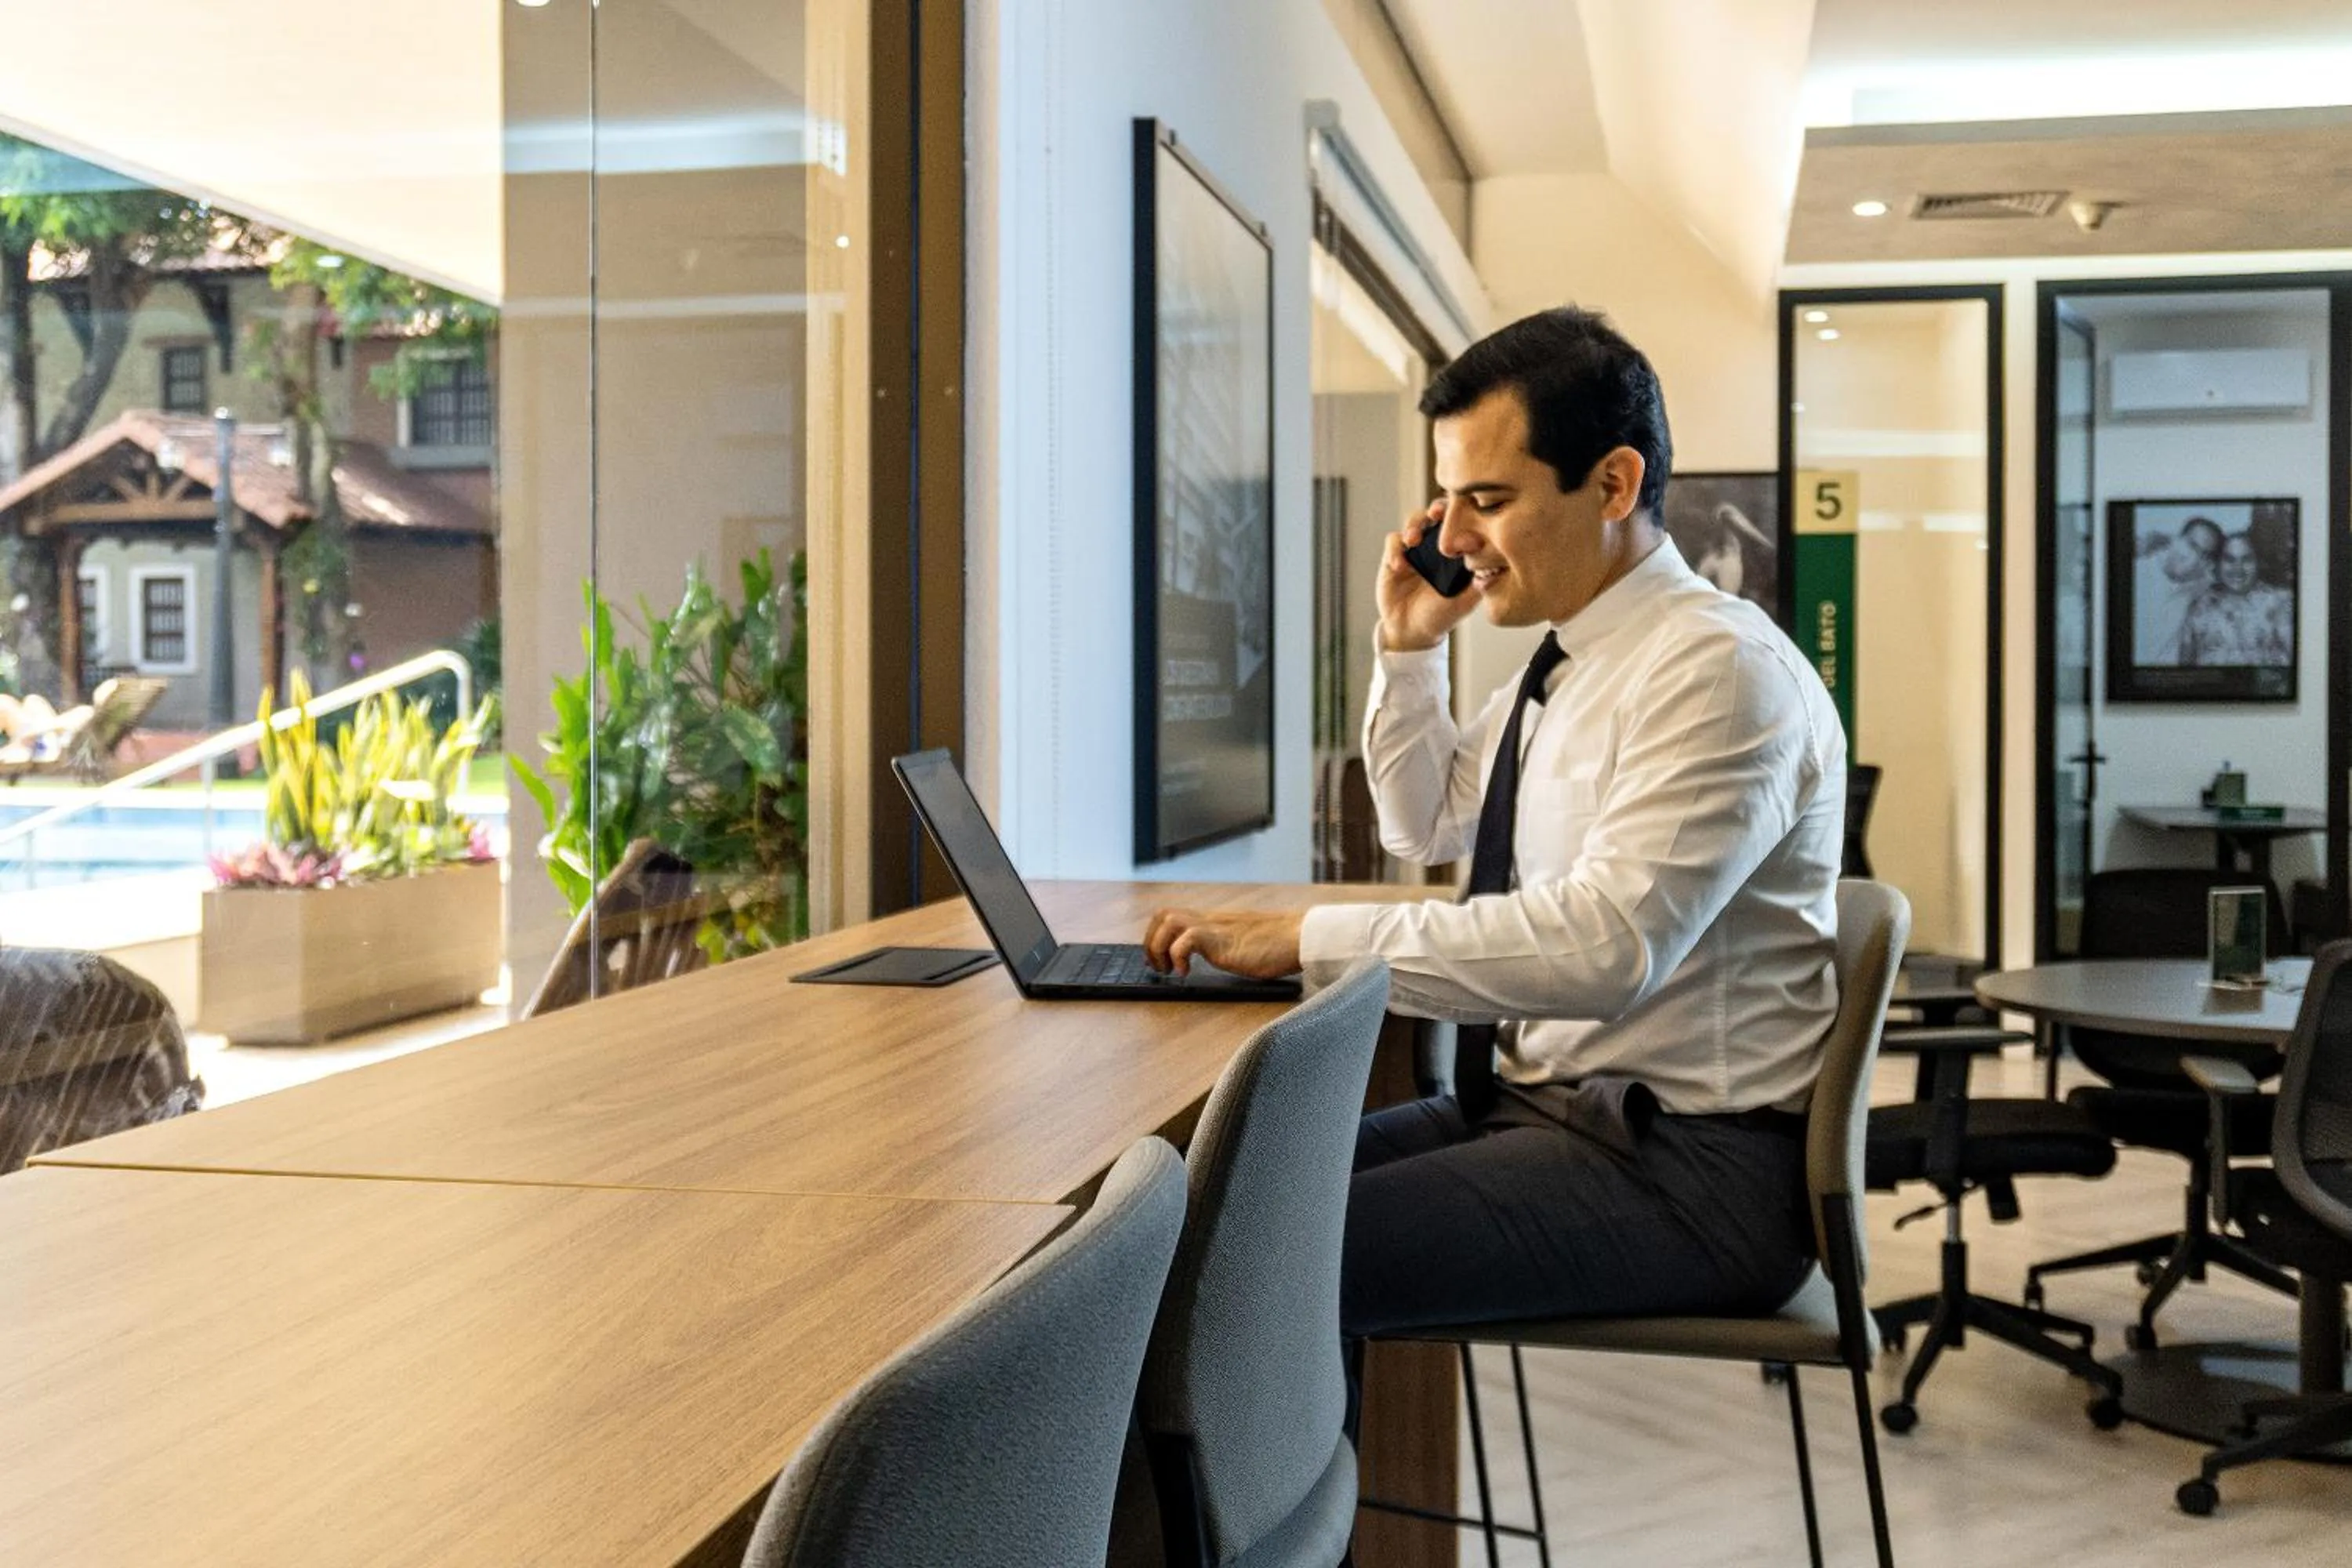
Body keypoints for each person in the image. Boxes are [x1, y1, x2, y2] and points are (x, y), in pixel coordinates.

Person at [1143, 306, 1846, 1335]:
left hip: (1687, 1169)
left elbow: (1606, 949)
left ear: (1614, 484)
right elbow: (1421, 825)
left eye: (1489, 499)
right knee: (1194, 1210)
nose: (1455, 536)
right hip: (1545, 1110)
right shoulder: (1568, 663)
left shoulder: (1718, 674)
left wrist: (1310, 939)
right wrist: (1408, 645)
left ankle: (1289, 1500)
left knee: (1230, 1269)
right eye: (1447, 501)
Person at [2182, 532, 2294, 667]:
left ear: (2258, 562)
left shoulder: (2279, 603)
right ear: (2218, 564)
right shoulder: (2200, 607)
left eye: (2246, 560)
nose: (2238, 568)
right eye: (2229, 560)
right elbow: (2185, 667)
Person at [2135, 514, 2223, 666]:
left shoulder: (2198, 586)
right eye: (2191, 545)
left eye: (2204, 555)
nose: (2194, 559)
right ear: (2176, 539)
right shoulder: (2136, 574)